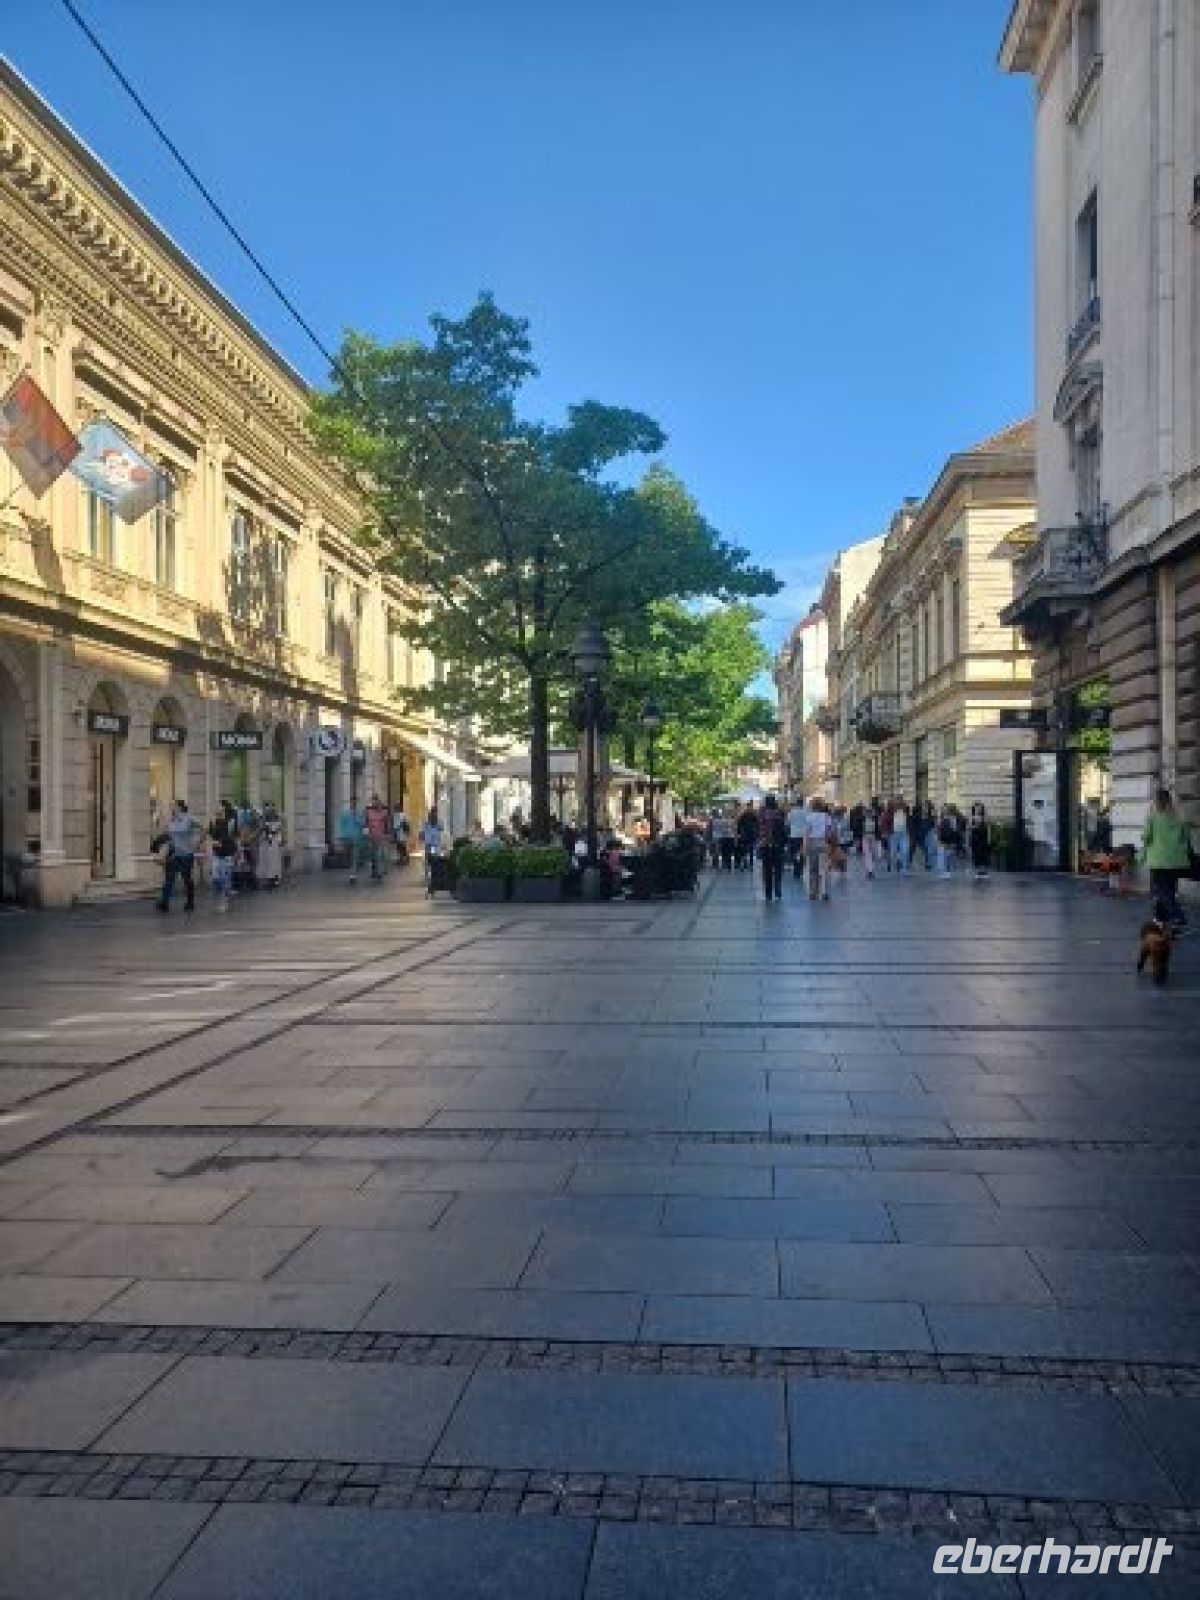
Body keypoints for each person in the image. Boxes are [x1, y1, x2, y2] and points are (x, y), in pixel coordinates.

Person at [1143, 787, 1192, 929]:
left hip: (1158, 860)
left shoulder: (1153, 817)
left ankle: (1178, 916)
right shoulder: (1180, 818)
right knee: (1169, 889)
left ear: (1157, 801)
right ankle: (1160, 918)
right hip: (1176, 861)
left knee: (1161, 891)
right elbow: (1186, 837)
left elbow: (1146, 837)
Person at [153, 799, 201, 914]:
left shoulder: (189, 818)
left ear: (179, 807)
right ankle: (164, 903)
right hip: (173, 855)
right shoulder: (171, 820)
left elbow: (202, 829)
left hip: (186, 854)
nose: (171, 808)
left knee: (187, 879)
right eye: (170, 806)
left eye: (173, 806)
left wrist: (197, 842)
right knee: (169, 879)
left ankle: (190, 902)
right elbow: (165, 835)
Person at [208, 800, 238, 912]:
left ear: (224, 811)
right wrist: (212, 842)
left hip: (227, 855)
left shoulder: (230, 823)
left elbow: (230, 837)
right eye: (217, 810)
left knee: (225, 879)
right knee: (216, 879)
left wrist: (219, 842)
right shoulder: (214, 823)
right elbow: (211, 836)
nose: (217, 812)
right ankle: (225, 894)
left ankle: (224, 902)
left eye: (220, 810)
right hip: (217, 854)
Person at [757, 794, 787, 902]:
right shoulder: (780, 814)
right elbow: (784, 830)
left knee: (767, 870)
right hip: (778, 846)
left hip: (765, 845)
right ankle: (778, 891)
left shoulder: (762, 814)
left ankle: (768, 894)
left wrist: (760, 841)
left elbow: (759, 830)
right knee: (778, 869)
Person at [803, 797, 832, 901]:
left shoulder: (809, 817)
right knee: (824, 868)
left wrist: (805, 846)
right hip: (823, 842)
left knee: (813, 869)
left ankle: (813, 892)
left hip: (812, 842)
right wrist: (827, 842)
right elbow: (829, 833)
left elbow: (807, 832)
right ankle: (825, 892)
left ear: (812, 806)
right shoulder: (826, 817)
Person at [364, 793, 392, 882]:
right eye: (373, 800)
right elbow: (366, 823)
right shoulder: (368, 811)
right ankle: (374, 871)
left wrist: (388, 834)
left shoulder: (384, 812)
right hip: (371, 836)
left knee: (380, 854)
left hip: (381, 836)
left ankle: (379, 872)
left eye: (376, 800)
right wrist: (366, 834)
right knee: (373, 855)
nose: (375, 802)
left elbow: (387, 824)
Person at [258, 802, 284, 887]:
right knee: (271, 863)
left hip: (272, 844)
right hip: (270, 844)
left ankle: (273, 880)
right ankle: (272, 879)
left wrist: (270, 834)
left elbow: (275, 833)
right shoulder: (268, 822)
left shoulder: (273, 823)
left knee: (272, 863)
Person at [419, 807, 444, 889]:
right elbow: (421, 835)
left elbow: (442, 831)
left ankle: (434, 878)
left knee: (435, 861)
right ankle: (428, 878)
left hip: (436, 846)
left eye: (435, 814)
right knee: (428, 861)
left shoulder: (439, 823)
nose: (434, 816)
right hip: (429, 845)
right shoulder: (426, 824)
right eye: (432, 814)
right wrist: (422, 837)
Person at [786, 794, 809, 879]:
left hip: (794, 835)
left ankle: (796, 869)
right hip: (803, 836)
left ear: (796, 803)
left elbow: (788, 823)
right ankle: (801, 869)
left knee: (794, 852)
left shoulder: (792, 812)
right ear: (802, 803)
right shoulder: (806, 812)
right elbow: (808, 823)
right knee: (802, 853)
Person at [968, 802, 991, 880]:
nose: (978, 809)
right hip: (975, 837)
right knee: (976, 854)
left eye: (980, 808)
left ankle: (984, 872)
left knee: (984, 854)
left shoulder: (985, 817)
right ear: (974, 809)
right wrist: (975, 825)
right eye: (977, 808)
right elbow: (969, 827)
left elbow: (988, 827)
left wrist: (989, 838)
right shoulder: (972, 817)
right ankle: (978, 872)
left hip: (983, 837)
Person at [861, 798, 880, 880]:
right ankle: (870, 870)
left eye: (870, 811)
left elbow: (878, 828)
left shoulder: (876, 819)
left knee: (874, 854)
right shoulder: (862, 819)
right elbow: (859, 828)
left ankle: (871, 869)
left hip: (873, 837)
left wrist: (879, 837)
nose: (868, 813)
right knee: (867, 853)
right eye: (867, 811)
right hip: (865, 837)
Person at [735, 804, 757, 871]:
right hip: (745, 835)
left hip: (751, 835)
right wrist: (739, 833)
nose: (749, 808)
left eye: (750, 807)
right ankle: (745, 863)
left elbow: (757, 824)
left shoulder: (754, 816)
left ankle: (750, 864)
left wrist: (756, 832)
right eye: (749, 807)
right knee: (744, 850)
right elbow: (739, 824)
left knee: (750, 850)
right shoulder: (743, 815)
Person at [891, 797, 910, 872]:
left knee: (904, 850)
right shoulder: (891, 811)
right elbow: (887, 820)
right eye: (897, 802)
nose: (899, 803)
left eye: (900, 802)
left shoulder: (906, 811)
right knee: (894, 851)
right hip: (894, 833)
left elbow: (910, 821)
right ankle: (898, 861)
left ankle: (903, 865)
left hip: (904, 833)